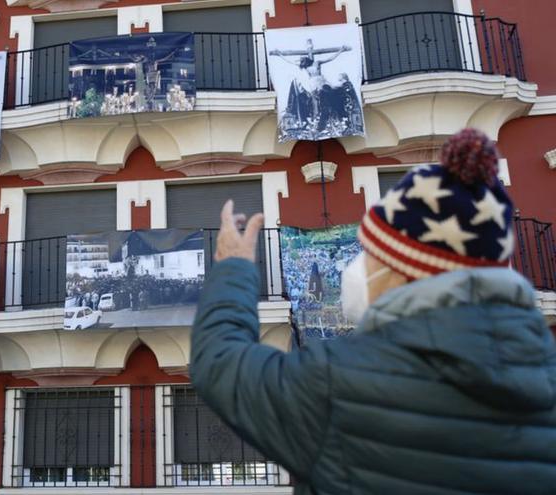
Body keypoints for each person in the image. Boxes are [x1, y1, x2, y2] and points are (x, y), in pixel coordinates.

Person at [191, 128, 556, 494]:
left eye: (370, 254)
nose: (358, 266)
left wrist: (233, 267)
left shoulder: (338, 383)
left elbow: (220, 362)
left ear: (401, 269)